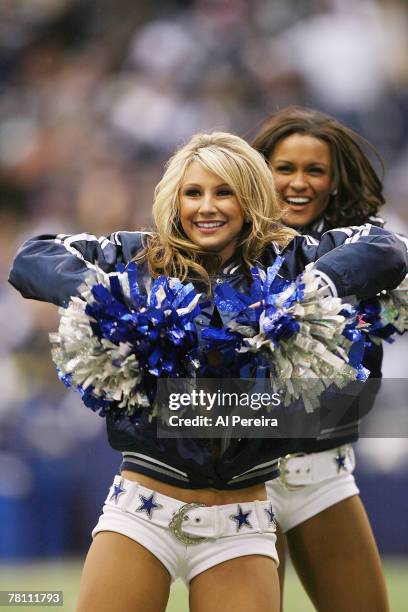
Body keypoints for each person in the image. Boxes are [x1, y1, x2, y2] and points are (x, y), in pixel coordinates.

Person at [9, 132, 407, 612]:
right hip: (142, 513)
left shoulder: (291, 260)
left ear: (251, 198)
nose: (207, 207)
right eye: (193, 193)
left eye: (224, 192)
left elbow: (386, 249)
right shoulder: (140, 258)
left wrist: (311, 290)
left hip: (241, 523)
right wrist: (112, 297)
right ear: (174, 199)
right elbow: (33, 257)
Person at [252, 106, 398, 612]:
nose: (299, 182)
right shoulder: (224, 244)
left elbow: (391, 252)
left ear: (335, 182)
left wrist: (309, 289)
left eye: (315, 170)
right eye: (284, 168)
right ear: (258, 172)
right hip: (245, 482)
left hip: (324, 474)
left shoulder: (361, 246)